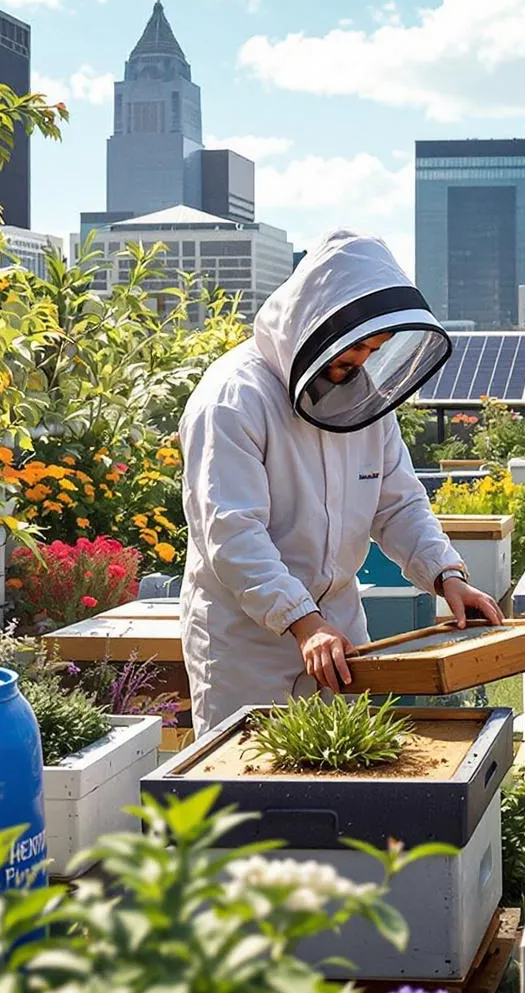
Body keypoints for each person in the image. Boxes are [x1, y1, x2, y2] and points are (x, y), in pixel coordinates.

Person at [178, 230, 502, 730]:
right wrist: (302, 621)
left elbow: (398, 503)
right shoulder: (233, 398)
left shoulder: (362, 401)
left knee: (345, 771)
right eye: (356, 348)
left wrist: (447, 576)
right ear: (317, 323)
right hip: (248, 647)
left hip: (340, 634)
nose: (361, 362)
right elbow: (232, 532)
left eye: (374, 349)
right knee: (250, 776)